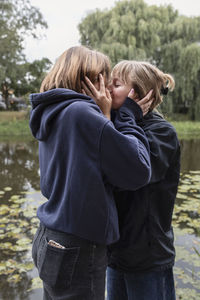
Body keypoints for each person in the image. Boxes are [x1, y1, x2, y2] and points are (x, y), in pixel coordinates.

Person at [29, 46, 152, 300]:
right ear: (89, 80)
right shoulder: (82, 113)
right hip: (78, 246)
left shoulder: (54, 110)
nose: (107, 87)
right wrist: (126, 114)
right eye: (104, 77)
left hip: (50, 236)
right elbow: (138, 169)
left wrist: (105, 117)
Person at [104, 60, 180, 300]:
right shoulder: (116, 123)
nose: (106, 88)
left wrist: (122, 116)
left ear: (136, 94)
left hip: (147, 257)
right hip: (116, 254)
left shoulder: (161, 133)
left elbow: (128, 176)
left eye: (115, 84)